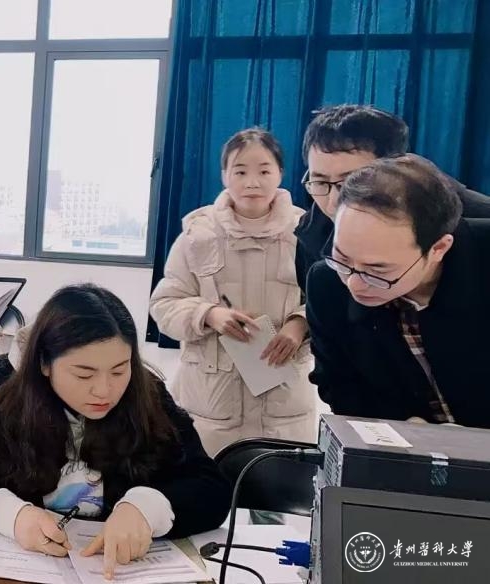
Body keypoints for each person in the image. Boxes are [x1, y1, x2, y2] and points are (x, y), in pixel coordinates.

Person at [0, 285, 228, 578]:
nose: (104, 390)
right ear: (44, 363)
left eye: (119, 370)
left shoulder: (147, 394)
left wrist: (146, 508)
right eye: (84, 374)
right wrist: (10, 515)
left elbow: (211, 487)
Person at [150, 128, 317, 456]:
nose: (252, 182)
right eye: (240, 172)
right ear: (224, 175)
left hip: (283, 404)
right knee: (207, 482)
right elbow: (164, 304)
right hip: (210, 403)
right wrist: (209, 314)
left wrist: (299, 325)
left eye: (264, 171)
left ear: (281, 174)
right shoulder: (197, 235)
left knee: (278, 484)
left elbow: (331, 303)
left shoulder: (306, 232)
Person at [307, 154, 490, 428]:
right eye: (342, 259)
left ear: (439, 249)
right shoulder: (327, 283)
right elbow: (338, 383)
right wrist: (399, 427)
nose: (354, 283)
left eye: (377, 271)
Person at [295, 104, 490, 294]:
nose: (333, 204)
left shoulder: (476, 225)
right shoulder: (312, 231)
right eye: (320, 182)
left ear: (397, 168)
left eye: (351, 183)